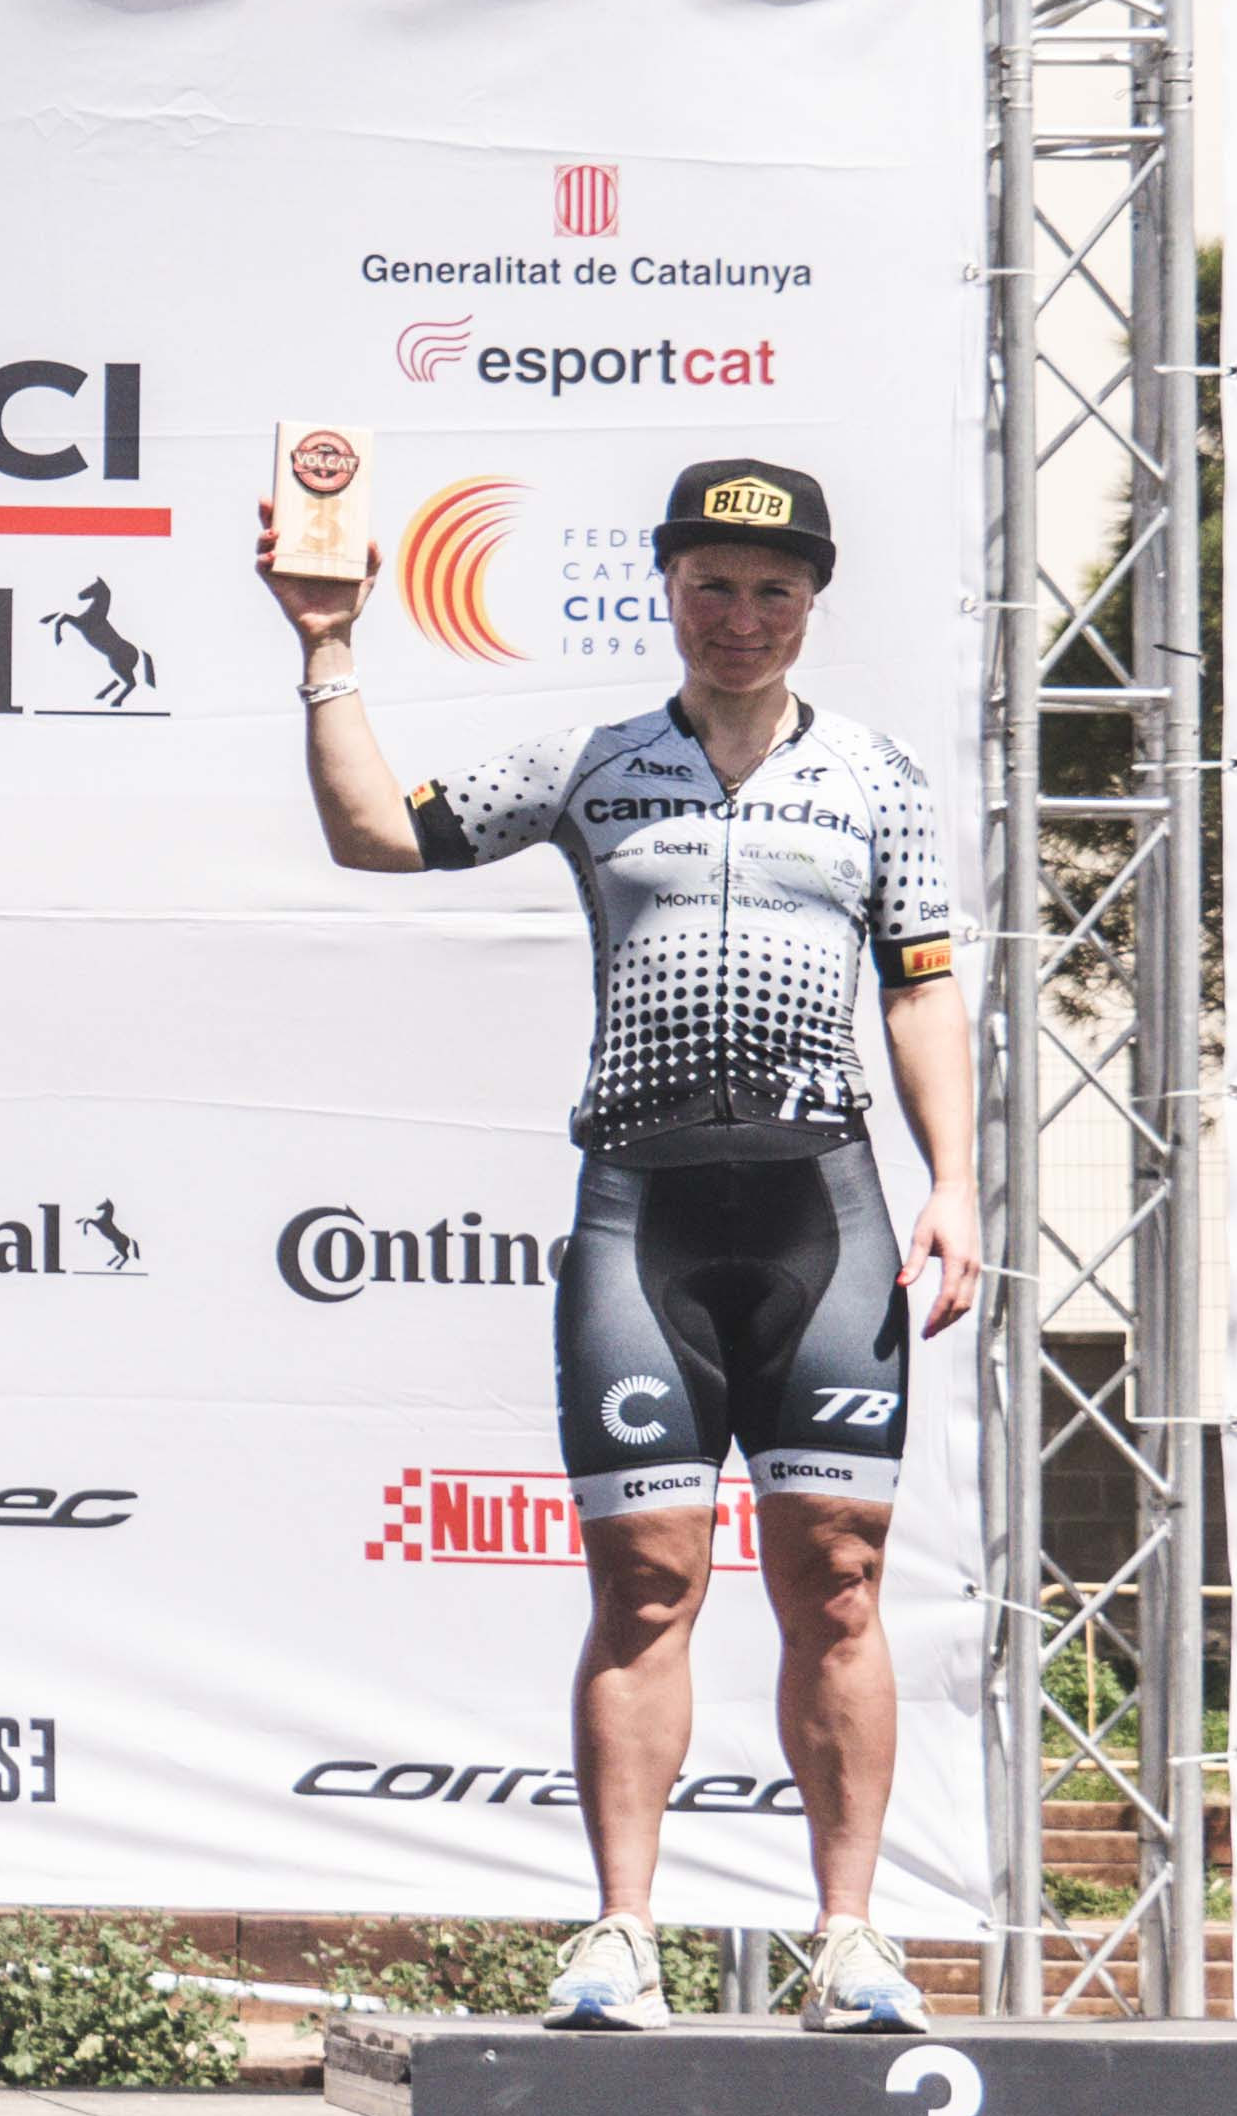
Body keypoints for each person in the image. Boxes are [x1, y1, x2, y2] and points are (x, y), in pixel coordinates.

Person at [260, 458, 979, 2032]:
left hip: (819, 1211)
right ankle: (619, 1933)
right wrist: (326, 642)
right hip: (638, 1214)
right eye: (709, 585)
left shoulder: (874, 777)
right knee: (645, 1581)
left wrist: (955, 1183)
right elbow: (374, 833)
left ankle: (847, 1936)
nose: (738, 616)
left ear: (810, 603)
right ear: (665, 589)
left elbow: (919, 984)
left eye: (770, 590)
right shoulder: (593, 763)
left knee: (836, 1579)